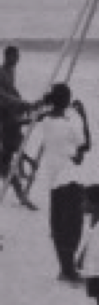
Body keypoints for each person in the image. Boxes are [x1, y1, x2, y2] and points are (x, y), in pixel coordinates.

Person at [37, 83, 90, 285]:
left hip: (54, 179)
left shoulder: (46, 122)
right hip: (70, 179)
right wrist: (83, 115)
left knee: (58, 226)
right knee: (73, 227)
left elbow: (47, 114)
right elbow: (84, 146)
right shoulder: (71, 123)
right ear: (67, 100)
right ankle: (69, 271)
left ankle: (65, 268)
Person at [0, 45, 40, 210]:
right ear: (7, 56)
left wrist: (26, 106)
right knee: (5, 162)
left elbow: (12, 92)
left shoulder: (10, 71)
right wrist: (26, 106)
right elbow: (4, 97)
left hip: (8, 117)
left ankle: (21, 194)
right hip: (4, 117)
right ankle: (21, 194)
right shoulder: (2, 72)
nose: (17, 59)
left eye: (18, 56)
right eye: (14, 56)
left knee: (7, 161)